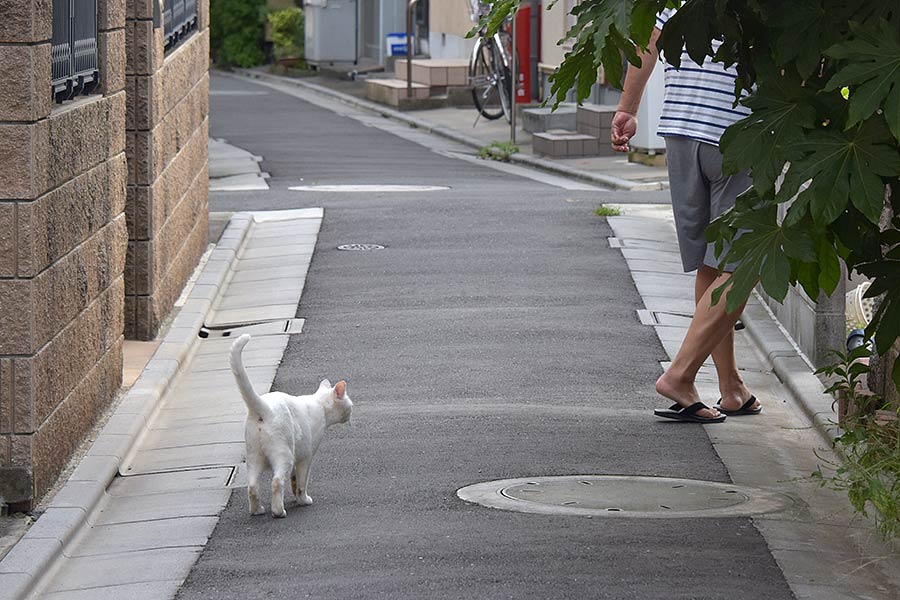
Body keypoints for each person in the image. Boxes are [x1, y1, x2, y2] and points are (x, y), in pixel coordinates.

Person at [611, 8, 761, 423]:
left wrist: (627, 107)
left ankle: (731, 388)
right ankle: (679, 374)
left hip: (680, 129)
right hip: (737, 132)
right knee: (746, 262)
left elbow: (649, 44)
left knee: (711, 264)